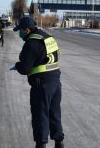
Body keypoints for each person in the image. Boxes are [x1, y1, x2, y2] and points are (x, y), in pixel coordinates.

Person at [13, 17, 64, 148]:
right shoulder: (47, 36)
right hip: (56, 81)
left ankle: (41, 144)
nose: (20, 34)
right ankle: (59, 142)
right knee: (54, 113)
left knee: (40, 115)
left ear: (27, 29)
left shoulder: (31, 43)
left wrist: (18, 65)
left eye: (21, 31)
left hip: (41, 84)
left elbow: (24, 68)